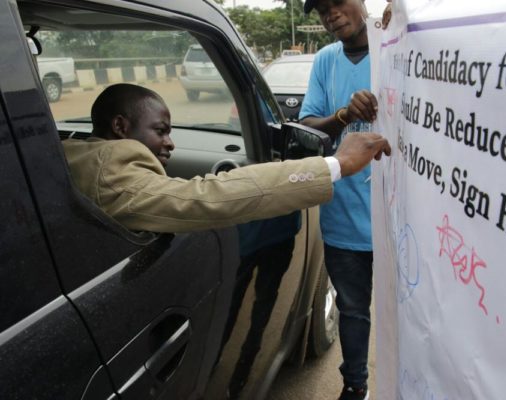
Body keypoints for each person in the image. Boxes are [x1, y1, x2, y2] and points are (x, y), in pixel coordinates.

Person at [61, 83, 390, 233]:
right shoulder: (111, 174)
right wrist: (338, 163)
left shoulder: (71, 152)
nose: (170, 143)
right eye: (160, 131)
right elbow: (203, 198)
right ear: (120, 126)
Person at [300, 1, 380, 399]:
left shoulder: (397, 48)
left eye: (337, 2)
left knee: (413, 311)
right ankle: (355, 385)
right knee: (351, 311)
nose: (330, 13)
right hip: (344, 219)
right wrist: (345, 115)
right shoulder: (326, 60)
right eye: (320, 8)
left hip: (399, 220)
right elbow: (308, 123)